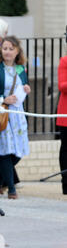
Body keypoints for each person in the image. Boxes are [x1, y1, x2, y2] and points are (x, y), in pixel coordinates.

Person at [0, 36, 31, 199]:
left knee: (18, 152)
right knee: (7, 149)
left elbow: (22, 86)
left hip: (17, 114)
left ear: (17, 51)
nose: (7, 52)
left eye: (11, 48)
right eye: (4, 48)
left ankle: (1, 175)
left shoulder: (20, 68)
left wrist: (26, 88)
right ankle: (11, 188)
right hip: (2, 113)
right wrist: (3, 98)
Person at [57, 54, 67, 195]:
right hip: (65, 113)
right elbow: (62, 86)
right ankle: (66, 183)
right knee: (66, 148)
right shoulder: (65, 60)